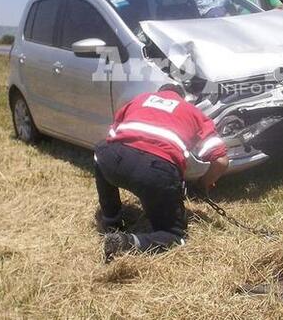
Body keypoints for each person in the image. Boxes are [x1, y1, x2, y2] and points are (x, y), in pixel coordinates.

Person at [94, 83, 229, 261]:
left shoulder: (138, 100)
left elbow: (111, 137)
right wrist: (202, 185)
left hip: (115, 159)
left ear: (158, 94)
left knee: (100, 154)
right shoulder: (193, 111)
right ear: (182, 98)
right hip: (156, 170)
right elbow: (221, 161)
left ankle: (111, 220)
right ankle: (127, 243)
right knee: (175, 236)